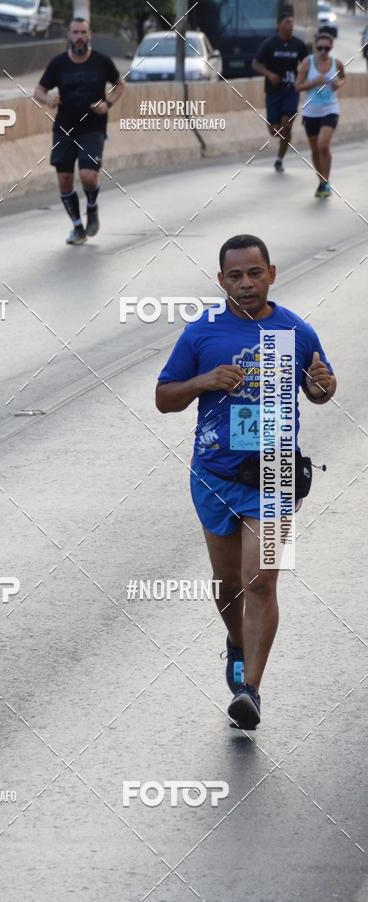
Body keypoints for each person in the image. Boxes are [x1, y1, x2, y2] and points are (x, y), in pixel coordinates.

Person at [156, 235, 336, 730]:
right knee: (229, 584)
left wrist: (321, 384)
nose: (246, 283)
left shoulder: (294, 330)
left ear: (271, 273)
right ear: (221, 281)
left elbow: (321, 388)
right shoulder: (202, 333)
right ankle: (235, 642)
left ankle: (250, 691)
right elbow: (164, 397)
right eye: (235, 276)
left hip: (276, 470)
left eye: (254, 273)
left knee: (261, 580)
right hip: (215, 473)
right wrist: (203, 382)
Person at [33, 18, 125, 245]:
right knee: (64, 179)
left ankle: (92, 207)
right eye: (75, 32)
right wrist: (48, 99)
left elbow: (120, 85)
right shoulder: (59, 63)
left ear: (89, 35)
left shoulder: (101, 61)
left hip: (93, 127)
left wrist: (108, 104)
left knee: (88, 175)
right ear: (69, 35)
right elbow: (38, 90)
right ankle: (77, 228)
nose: (79, 36)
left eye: (83, 32)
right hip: (64, 128)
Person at [252, 10, 307, 173]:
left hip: (291, 91)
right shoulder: (269, 44)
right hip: (273, 91)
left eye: (292, 22)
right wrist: (269, 74)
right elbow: (255, 63)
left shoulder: (299, 45)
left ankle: (279, 159)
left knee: (286, 125)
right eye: (287, 23)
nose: (291, 26)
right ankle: (283, 140)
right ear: (279, 26)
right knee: (274, 130)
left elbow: (306, 65)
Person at [296, 32, 345, 198]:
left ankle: (327, 181)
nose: (324, 51)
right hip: (311, 112)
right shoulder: (307, 63)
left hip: (330, 109)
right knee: (315, 149)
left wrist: (338, 84)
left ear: (331, 47)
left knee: (323, 144)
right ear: (315, 47)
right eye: (320, 48)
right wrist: (315, 82)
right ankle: (321, 182)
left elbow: (343, 78)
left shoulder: (336, 63)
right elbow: (298, 86)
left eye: (327, 48)